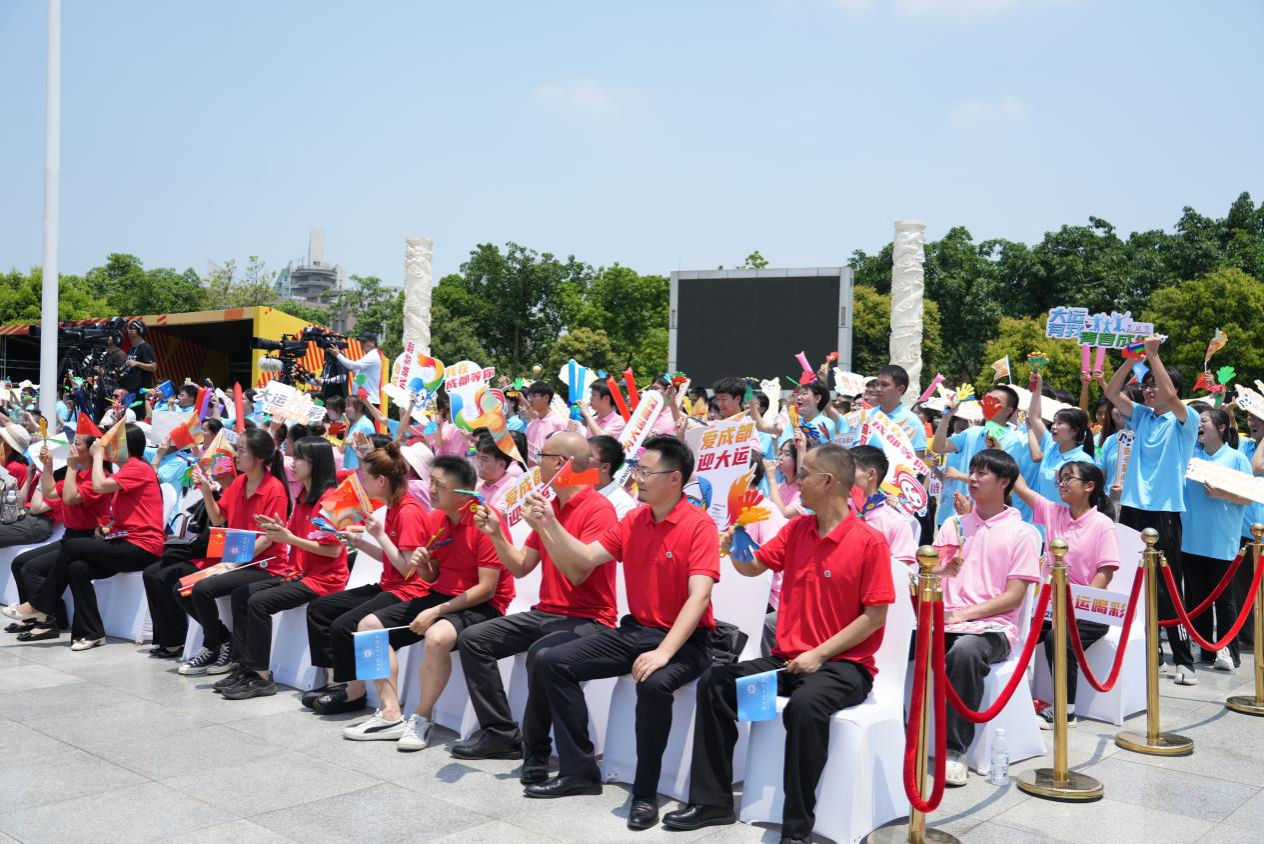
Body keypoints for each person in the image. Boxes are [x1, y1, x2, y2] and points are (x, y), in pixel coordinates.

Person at [662, 444, 894, 841]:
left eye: (804, 474)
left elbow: (875, 617)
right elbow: (753, 567)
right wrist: (738, 540)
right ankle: (713, 802)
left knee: (805, 706)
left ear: (828, 481)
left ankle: (797, 828)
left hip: (844, 667)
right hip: (787, 663)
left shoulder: (869, 541)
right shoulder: (798, 529)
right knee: (717, 684)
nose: (797, 481)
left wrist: (819, 654)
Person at [521, 435, 718, 831]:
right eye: (637, 471)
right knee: (551, 661)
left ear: (675, 478)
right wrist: (548, 524)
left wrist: (664, 652)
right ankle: (579, 771)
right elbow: (585, 558)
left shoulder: (699, 525)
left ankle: (645, 793)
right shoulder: (634, 520)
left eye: (646, 472)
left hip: (686, 641)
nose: (637, 479)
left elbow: (699, 598)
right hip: (636, 630)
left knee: (654, 683)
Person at [453, 431, 619, 774]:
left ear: (560, 464)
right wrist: (496, 533)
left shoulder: (598, 508)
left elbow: (578, 575)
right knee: (473, 639)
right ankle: (500, 733)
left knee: (541, 656)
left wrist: (546, 526)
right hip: (547, 612)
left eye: (541, 456)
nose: (535, 463)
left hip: (590, 618)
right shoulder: (551, 505)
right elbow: (520, 566)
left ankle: (537, 751)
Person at [343, 455, 513, 749]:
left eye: (438, 484)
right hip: (442, 597)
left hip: (483, 604)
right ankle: (390, 713)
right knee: (368, 627)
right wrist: (424, 566)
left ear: (463, 492)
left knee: (436, 636)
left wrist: (435, 611)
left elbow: (487, 589)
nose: (430, 489)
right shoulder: (437, 519)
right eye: (431, 481)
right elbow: (432, 576)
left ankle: (422, 717)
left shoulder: (485, 521)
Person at [932, 449, 1041, 785]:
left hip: (993, 628)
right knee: (891, 640)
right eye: (972, 472)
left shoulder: (1022, 533)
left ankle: (954, 749)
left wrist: (963, 614)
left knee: (965, 652)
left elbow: (1014, 596)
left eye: (982, 474)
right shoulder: (954, 525)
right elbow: (931, 575)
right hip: (946, 619)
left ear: (1004, 482)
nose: (972, 479)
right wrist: (940, 571)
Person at [5, 424, 165, 651]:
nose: (105, 447)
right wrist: (49, 466)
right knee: (77, 569)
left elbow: (92, 488)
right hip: (122, 540)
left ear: (124, 446)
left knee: (71, 549)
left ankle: (41, 606)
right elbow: (52, 493)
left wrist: (93, 457)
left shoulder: (137, 468)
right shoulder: (123, 472)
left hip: (142, 546)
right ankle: (92, 632)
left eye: (111, 443)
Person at [214, 436, 349, 699]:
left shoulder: (332, 500)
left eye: (299, 458)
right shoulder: (303, 495)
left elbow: (332, 550)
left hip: (323, 579)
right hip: (298, 573)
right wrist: (278, 529)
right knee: (241, 595)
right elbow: (296, 537)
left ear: (316, 463)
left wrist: (288, 538)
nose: (292, 463)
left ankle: (261, 676)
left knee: (259, 602)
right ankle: (245, 666)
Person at [303, 443, 428, 715]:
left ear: (381, 480)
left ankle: (354, 691)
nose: (361, 482)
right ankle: (337, 682)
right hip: (391, 584)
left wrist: (379, 535)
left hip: (409, 591)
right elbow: (392, 559)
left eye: (365, 476)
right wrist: (359, 542)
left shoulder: (408, 511)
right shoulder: (393, 507)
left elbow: (408, 570)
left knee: (345, 625)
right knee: (320, 608)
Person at [1104, 336, 1200, 684]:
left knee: (1168, 588)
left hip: (1165, 511)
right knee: (1132, 582)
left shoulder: (1185, 420)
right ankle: (1149, 650)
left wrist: (1154, 356)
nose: (1149, 391)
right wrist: (1132, 359)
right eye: (1145, 385)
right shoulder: (1141, 416)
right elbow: (1112, 392)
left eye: (1154, 384)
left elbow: (1171, 398)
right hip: (1132, 509)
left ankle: (1184, 660)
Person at [1008, 461, 1119, 727]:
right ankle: (1011, 699)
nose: (1062, 484)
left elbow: (1106, 573)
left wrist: (1076, 609)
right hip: (1049, 605)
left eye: (1069, 478)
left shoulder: (1102, 524)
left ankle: (1065, 710)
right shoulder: (1053, 512)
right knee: (1015, 631)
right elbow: (1020, 487)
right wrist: (1003, 455)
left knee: (1058, 639)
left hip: (1089, 607)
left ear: (1089, 486)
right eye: (1061, 478)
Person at [175, 427, 292, 676]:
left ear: (259, 457)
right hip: (236, 560)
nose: (236, 455)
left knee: (202, 589)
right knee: (180, 589)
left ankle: (212, 646)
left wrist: (231, 564)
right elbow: (218, 518)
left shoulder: (275, 490)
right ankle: (221, 640)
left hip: (264, 565)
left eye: (241, 450)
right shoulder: (239, 482)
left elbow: (267, 540)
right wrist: (206, 492)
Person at [8, 431, 112, 640]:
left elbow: (70, 498)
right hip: (71, 536)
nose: (72, 447)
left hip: (87, 538)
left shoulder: (98, 477)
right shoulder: (78, 474)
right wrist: (48, 466)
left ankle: (48, 622)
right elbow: (50, 493)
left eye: (77, 443)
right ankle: (33, 618)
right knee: (19, 562)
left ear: (91, 450)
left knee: (32, 569)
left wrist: (71, 466)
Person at [1183, 408, 1252, 672]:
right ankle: (1204, 649)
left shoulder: (1235, 458)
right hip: (1191, 539)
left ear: (1221, 427)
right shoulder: (1191, 456)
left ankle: (1228, 651)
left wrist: (1223, 494)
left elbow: (1248, 497)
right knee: (1196, 600)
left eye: (1204, 421)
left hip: (1222, 541)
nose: (1199, 425)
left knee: (1224, 601)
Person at [930, 385, 1026, 525]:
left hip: (984, 516)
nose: (989, 404)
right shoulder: (972, 432)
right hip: (952, 512)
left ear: (1008, 410)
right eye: (987, 399)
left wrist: (960, 476)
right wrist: (946, 417)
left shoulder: (1013, 441)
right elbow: (939, 447)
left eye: (996, 401)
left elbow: (1005, 480)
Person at [1026, 374, 1096, 502]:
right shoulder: (1050, 444)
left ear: (1075, 430)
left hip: (1066, 515)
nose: (1053, 427)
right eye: (1054, 422)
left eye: (1060, 423)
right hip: (1041, 513)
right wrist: (1037, 385)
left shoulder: (1083, 461)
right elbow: (1034, 417)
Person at [849, 445, 918, 569]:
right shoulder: (837, 512)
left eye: (849, 470)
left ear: (871, 474)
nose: (842, 476)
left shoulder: (897, 522)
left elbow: (900, 571)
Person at [588, 435, 638, 518]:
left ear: (605, 467)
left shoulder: (623, 505)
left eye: (588, 455)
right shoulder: (571, 486)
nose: (579, 458)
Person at [474, 433, 524, 512]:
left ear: (501, 464)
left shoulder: (514, 486)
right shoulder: (478, 487)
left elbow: (496, 515)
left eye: (484, 459)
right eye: (478, 457)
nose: (479, 463)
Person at [525, 381, 569, 464]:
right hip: (532, 470)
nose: (530, 400)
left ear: (546, 398)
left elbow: (564, 451)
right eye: (530, 396)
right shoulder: (530, 425)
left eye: (534, 396)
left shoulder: (558, 422)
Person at [335, 332, 383, 406]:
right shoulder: (369, 355)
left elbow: (353, 366)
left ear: (373, 343)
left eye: (364, 342)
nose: (361, 344)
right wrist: (341, 354)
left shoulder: (373, 355)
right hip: (362, 399)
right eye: (361, 342)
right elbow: (356, 370)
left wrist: (338, 355)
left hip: (368, 400)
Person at [118, 320, 157, 396]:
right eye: (128, 328)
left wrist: (138, 363)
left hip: (142, 390)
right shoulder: (131, 348)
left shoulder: (146, 347)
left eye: (131, 328)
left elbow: (153, 367)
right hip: (130, 388)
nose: (128, 330)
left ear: (140, 330)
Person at [340, 396, 378, 472]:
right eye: (346, 406)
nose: (346, 409)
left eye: (348, 406)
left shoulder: (365, 424)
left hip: (358, 470)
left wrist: (347, 441)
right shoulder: (355, 424)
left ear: (359, 408)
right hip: (350, 468)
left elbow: (365, 449)